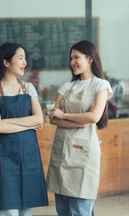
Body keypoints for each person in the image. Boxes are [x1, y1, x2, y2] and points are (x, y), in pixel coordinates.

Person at [46, 40, 113, 216]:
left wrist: (64, 115)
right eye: (71, 58)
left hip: (83, 157)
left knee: (80, 211)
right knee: (63, 210)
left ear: (90, 58)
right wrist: (80, 121)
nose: (72, 62)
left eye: (77, 57)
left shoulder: (101, 85)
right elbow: (53, 119)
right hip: (62, 154)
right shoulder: (67, 86)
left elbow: (93, 117)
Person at [0, 42, 48, 216]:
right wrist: (27, 124)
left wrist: (6, 122)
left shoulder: (29, 88)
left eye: (25, 59)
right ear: (6, 62)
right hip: (4, 160)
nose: (24, 63)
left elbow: (39, 118)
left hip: (29, 157)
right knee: (9, 212)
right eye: (20, 58)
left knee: (26, 211)